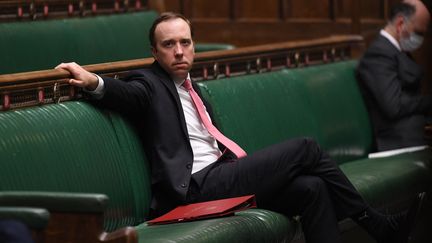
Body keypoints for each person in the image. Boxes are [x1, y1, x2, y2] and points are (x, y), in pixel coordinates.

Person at [56, 12, 425, 243]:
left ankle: (378, 228)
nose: (179, 51)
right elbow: (124, 94)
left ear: (194, 46)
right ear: (155, 52)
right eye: (169, 45)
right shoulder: (149, 84)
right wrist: (92, 81)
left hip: (224, 174)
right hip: (196, 188)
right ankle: (377, 226)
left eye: (185, 42)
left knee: (312, 188)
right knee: (306, 148)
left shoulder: (193, 88)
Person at [356, 0, 432, 151]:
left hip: (416, 132)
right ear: (400, 24)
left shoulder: (397, 51)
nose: (420, 39)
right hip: (399, 141)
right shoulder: (379, 54)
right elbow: (393, 106)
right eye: (418, 33)